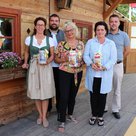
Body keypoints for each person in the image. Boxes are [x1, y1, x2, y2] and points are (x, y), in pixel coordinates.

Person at [22, 17, 55, 128]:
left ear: (44, 26)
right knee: (36, 93)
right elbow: (26, 52)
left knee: (45, 94)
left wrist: (47, 61)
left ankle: (44, 116)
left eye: (42, 25)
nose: (40, 26)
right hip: (34, 67)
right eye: (38, 25)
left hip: (46, 68)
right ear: (35, 26)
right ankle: (40, 115)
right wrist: (25, 62)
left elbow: (52, 55)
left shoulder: (49, 39)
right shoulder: (29, 39)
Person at [83, 21, 117, 126]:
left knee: (102, 96)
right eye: (98, 30)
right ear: (95, 31)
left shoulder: (111, 43)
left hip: (105, 74)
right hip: (93, 74)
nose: (100, 31)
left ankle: (100, 116)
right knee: (93, 96)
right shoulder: (90, 42)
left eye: (102, 29)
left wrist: (105, 67)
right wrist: (90, 63)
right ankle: (94, 115)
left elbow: (113, 59)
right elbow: (86, 55)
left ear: (106, 31)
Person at [54, 21, 84, 132]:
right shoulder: (61, 44)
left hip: (77, 72)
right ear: (65, 33)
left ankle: (70, 114)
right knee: (64, 96)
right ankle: (61, 120)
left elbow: (84, 59)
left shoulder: (81, 44)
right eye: (67, 31)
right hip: (64, 72)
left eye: (71, 30)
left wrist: (82, 61)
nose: (69, 32)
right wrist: (64, 59)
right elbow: (56, 59)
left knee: (73, 95)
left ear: (75, 30)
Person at [106, 14, 130, 119]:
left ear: (119, 23)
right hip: (106, 66)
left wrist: (119, 60)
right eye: (111, 21)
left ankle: (115, 109)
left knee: (117, 88)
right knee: (105, 87)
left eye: (116, 21)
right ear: (109, 23)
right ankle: (104, 107)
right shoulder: (105, 35)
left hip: (117, 65)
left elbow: (127, 50)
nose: (113, 23)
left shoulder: (124, 35)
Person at [46, 14, 65, 113]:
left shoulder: (63, 33)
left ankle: (59, 107)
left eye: (56, 20)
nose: (54, 22)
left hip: (60, 66)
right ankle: (48, 108)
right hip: (47, 65)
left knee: (59, 87)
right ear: (49, 22)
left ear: (59, 22)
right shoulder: (44, 33)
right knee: (48, 87)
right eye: (52, 20)